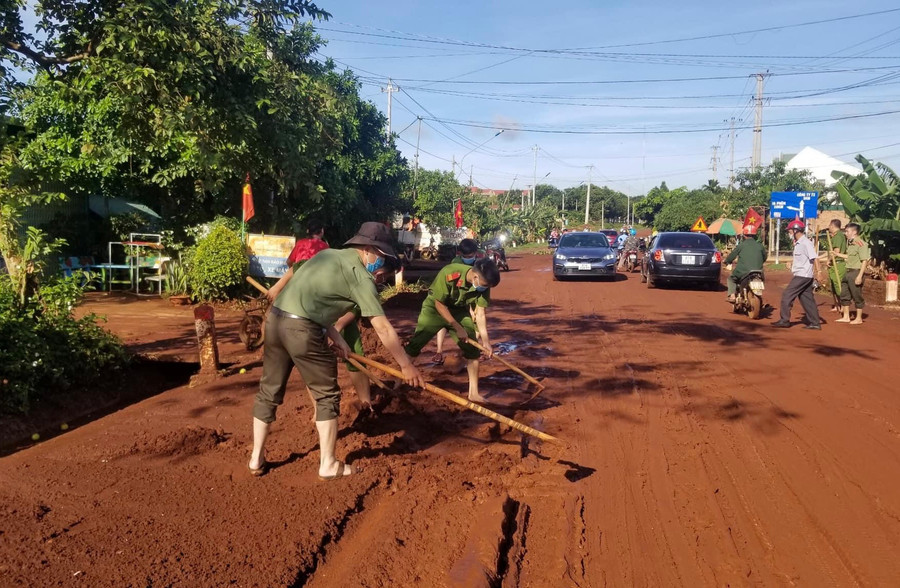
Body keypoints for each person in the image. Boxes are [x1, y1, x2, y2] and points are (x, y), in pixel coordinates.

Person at [248, 222, 425, 479]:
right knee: (327, 396)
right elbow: (383, 328)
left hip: (275, 321)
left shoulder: (327, 255)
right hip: (302, 331)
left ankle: (256, 459)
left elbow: (310, 300)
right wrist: (406, 365)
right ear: (369, 250)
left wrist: (337, 337)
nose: (380, 270)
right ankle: (329, 465)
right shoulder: (360, 277)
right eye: (382, 260)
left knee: (269, 391)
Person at [405, 258, 501, 403]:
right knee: (415, 345)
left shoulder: (484, 286)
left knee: (473, 352)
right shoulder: (450, 272)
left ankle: (473, 393)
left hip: (458, 311)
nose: (485, 288)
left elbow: (480, 313)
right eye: (485, 285)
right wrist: (457, 327)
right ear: (475, 277)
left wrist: (486, 341)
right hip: (434, 309)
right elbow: (439, 304)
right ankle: (397, 382)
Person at [434, 239, 481, 363]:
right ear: (460, 254)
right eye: (465, 256)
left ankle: (465, 351)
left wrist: (474, 309)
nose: (468, 258)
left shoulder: (479, 264)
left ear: (475, 253)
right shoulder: (455, 262)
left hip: (470, 295)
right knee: (444, 320)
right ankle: (439, 351)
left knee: (476, 322)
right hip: (453, 296)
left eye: (470, 256)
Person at [772, 220, 824, 330]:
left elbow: (815, 258)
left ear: (796, 230)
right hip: (804, 275)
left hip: (802, 276)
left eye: (790, 231)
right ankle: (815, 323)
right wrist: (791, 264)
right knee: (806, 299)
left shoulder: (806, 243)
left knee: (787, 295)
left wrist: (819, 272)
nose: (789, 233)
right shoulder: (798, 243)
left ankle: (784, 320)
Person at [266, 221, 329, 302]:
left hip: (297, 280)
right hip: (315, 284)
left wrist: (293, 272)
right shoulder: (325, 246)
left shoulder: (300, 243)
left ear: (308, 231)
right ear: (322, 231)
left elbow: (289, 262)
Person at [835, 223, 871, 324]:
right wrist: (837, 254)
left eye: (847, 231)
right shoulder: (851, 244)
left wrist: (860, 276)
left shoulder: (861, 244)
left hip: (856, 272)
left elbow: (864, 261)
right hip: (848, 271)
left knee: (856, 295)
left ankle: (858, 318)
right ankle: (846, 317)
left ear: (854, 232)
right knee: (844, 294)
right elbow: (849, 257)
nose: (845, 233)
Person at [724, 224, 767, 302]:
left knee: (731, 279)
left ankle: (732, 296)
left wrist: (727, 261)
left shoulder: (741, 245)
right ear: (755, 235)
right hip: (759, 273)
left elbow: (731, 256)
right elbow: (764, 257)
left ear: (744, 235)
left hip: (743, 272)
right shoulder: (760, 246)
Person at [819, 219, 847, 312]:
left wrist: (829, 260)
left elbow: (836, 251)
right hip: (833, 265)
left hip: (838, 264)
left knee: (838, 285)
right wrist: (818, 257)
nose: (829, 227)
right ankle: (837, 304)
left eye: (829, 225)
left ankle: (844, 305)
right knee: (833, 286)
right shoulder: (834, 236)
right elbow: (829, 252)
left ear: (832, 226)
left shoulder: (838, 236)